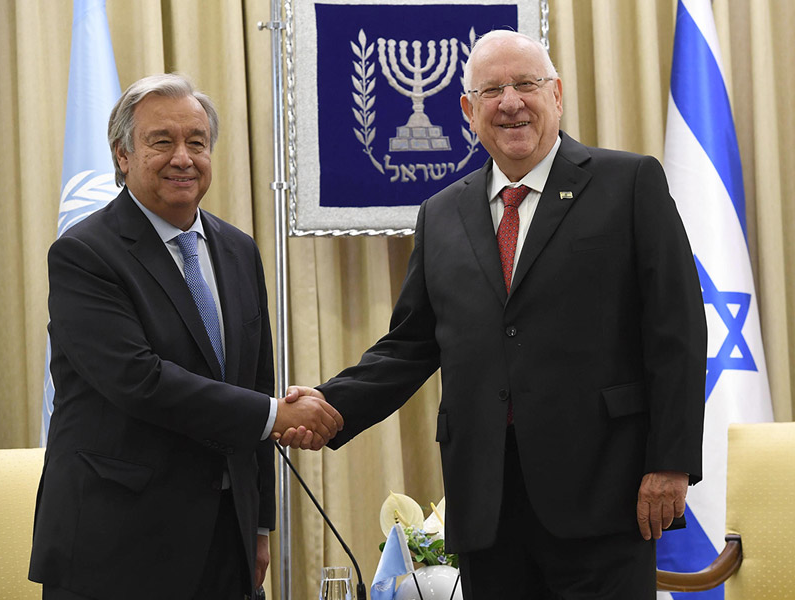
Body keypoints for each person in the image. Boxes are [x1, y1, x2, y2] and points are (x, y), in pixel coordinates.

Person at [282, 30, 706, 599]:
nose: (510, 102)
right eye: (492, 90)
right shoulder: (441, 214)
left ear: (556, 94)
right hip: (487, 507)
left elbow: (676, 331)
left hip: (605, 493)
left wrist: (671, 463)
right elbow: (410, 345)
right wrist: (329, 405)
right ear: (467, 109)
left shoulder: (628, 184)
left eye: (526, 84)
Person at [29, 73, 343, 600]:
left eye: (197, 142)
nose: (183, 157)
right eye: (161, 141)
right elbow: (140, 380)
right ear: (122, 156)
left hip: (227, 539)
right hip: (118, 547)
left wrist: (259, 525)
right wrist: (276, 415)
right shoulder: (85, 255)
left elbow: (254, 382)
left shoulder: (239, 250)